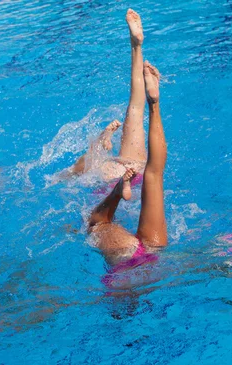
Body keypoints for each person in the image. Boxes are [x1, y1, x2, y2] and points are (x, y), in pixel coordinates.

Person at [88, 61, 166, 287]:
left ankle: (154, 106)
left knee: (154, 175)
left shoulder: (95, 170)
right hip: (125, 257)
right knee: (96, 224)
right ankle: (154, 105)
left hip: (152, 256)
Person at [67, 9, 148, 183]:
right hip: (132, 172)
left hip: (116, 175)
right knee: (135, 109)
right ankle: (136, 46)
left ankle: (98, 145)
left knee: (73, 172)